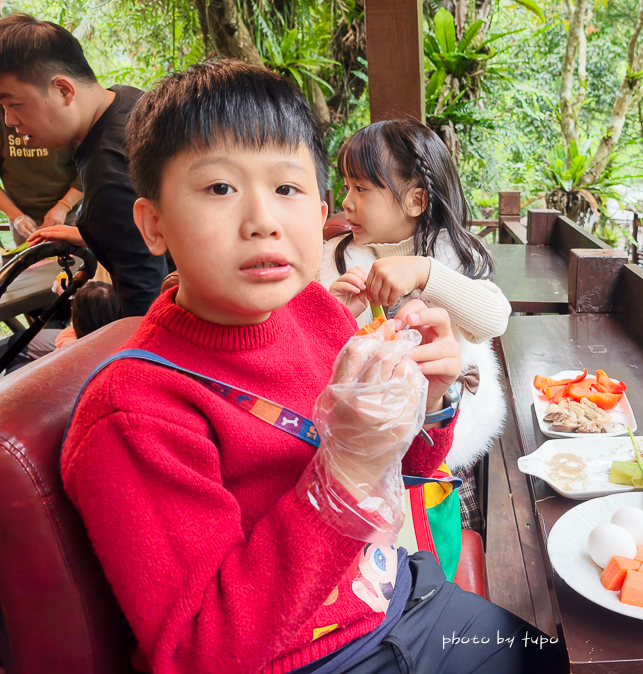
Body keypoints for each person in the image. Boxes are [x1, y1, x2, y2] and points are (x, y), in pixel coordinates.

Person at [61, 59, 564, 674]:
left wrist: (428, 404)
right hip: (312, 658)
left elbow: (407, 470)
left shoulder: (314, 313)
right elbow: (202, 651)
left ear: (320, 208)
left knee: (552, 658)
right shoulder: (136, 413)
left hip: (399, 597)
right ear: (153, 223)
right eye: (220, 188)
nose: (263, 220)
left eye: (288, 188)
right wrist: (344, 472)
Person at [318, 120, 511, 535]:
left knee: (444, 538)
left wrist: (427, 273)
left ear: (416, 200)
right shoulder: (335, 256)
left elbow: (493, 319)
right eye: (346, 187)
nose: (346, 203)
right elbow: (313, 342)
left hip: (441, 441)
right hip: (364, 449)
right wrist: (335, 310)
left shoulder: (452, 252)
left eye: (362, 189)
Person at [0, 13, 168, 316]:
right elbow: (153, 230)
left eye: (14, 104)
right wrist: (87, 233)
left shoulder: (108, 176)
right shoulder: (126, 99)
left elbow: (144, 307)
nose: (10, 121)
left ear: (64, 90)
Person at [0, 280, 119, 374]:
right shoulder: (117, 336)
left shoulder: (67, 347)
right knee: (18, 340)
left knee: (16, 365)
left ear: (76, 319)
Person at [0, 119, 82, 245]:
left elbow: (90, 170)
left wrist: (63, 206)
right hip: (21, 214)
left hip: (71, 211)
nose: (9, 119)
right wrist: (16, 216)